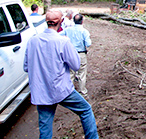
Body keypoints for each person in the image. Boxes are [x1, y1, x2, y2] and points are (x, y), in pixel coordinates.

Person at [23, 10, 98, 139]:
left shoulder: (32, 41)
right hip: (61, 89)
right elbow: (75, 65)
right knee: (85, 110)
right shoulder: (62, 41)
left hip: (41, 90)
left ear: (46, 22)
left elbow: (26, 67)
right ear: (62, 21)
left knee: (45, 127)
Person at [60, 13, 91, 99]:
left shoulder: (68, 30)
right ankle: (83, 93)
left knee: (70, 73)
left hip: (70, 53)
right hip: (81, 53)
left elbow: (58, 36)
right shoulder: (84, 31)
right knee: (82, 73)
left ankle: (69, 92)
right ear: (82, 21)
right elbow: (88, 43)